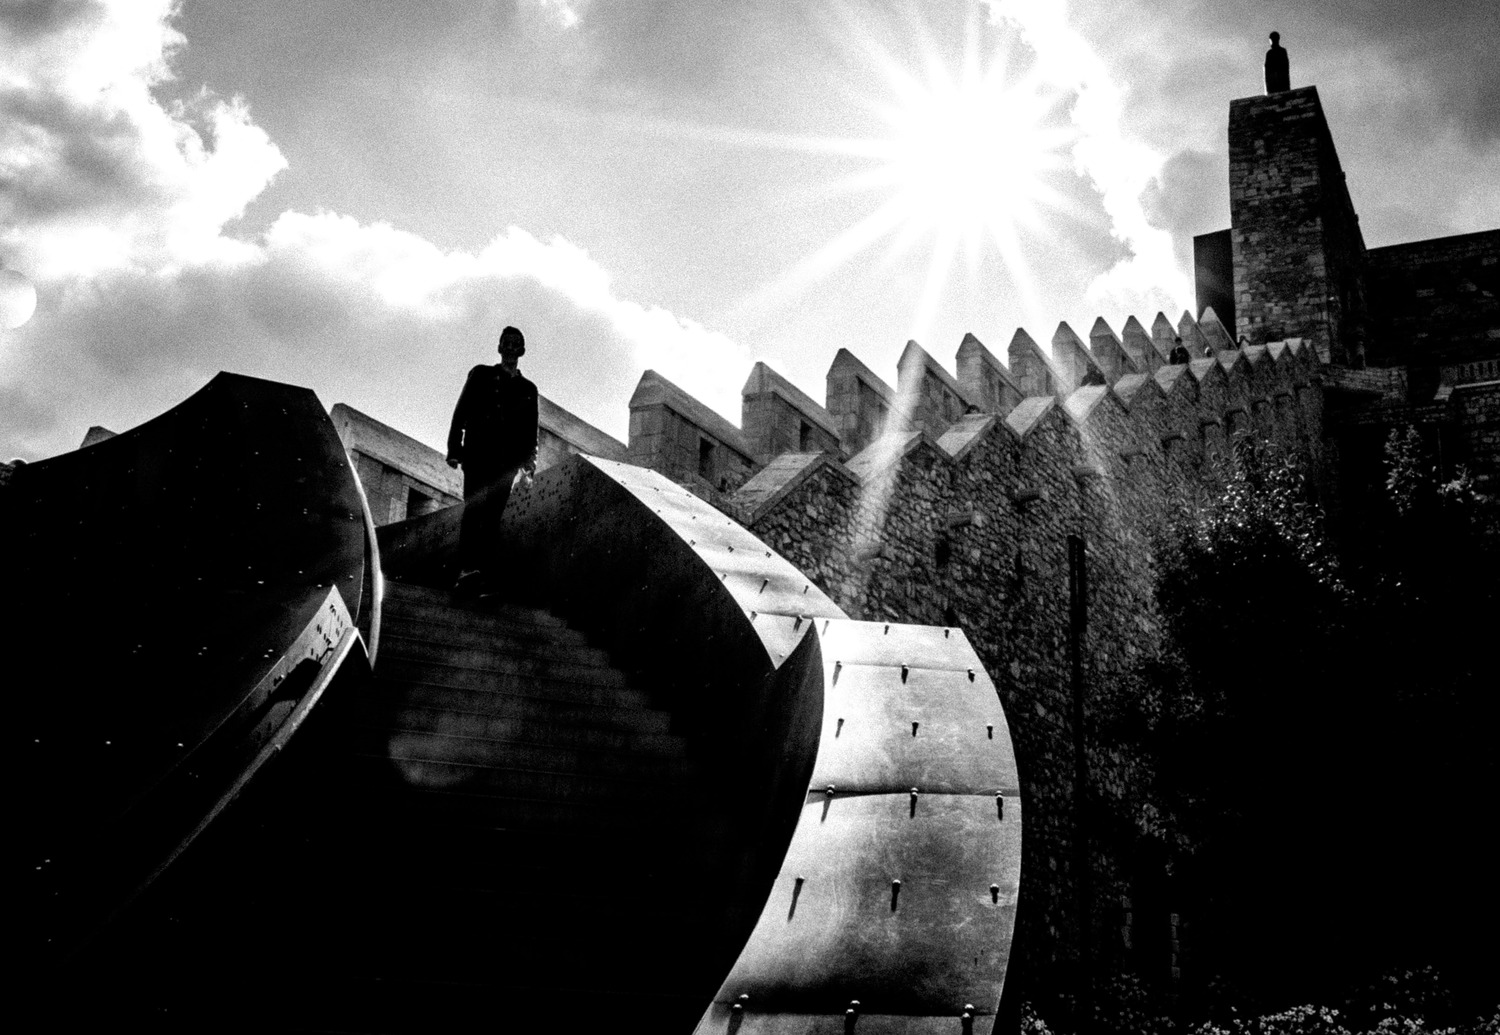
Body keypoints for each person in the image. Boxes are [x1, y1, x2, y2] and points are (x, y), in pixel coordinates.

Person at [446, 326, 538, 594]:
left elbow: (530, 432)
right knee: (473, 510)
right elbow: (461, 412)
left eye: (515, 344)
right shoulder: (481, 374)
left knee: (493, 517)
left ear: (521, 351)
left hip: (506, 464)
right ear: (499, 347)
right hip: (477, 455)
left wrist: (528, 466)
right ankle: (465, 570)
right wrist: (454, 449)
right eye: (506, 343)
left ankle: (484, 574)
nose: (510, 348)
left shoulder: (528, 389)